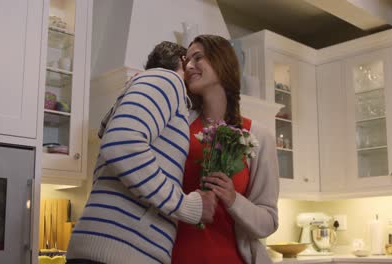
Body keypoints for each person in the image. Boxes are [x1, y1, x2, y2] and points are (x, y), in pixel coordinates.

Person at [66, 41, 217, 264]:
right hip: (121, 252)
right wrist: (187, 206)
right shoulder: (168, 80)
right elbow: (122, 144)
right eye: (191, 60)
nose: (195, 67)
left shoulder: (155, 88)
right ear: (180, 63)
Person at [171, 35, 280, 264]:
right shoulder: (178, 128)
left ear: (222, 63)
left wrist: (233, 199)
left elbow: (268, 221)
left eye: (198, 57)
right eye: (186, 60)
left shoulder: (259, 137)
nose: (189, 66)